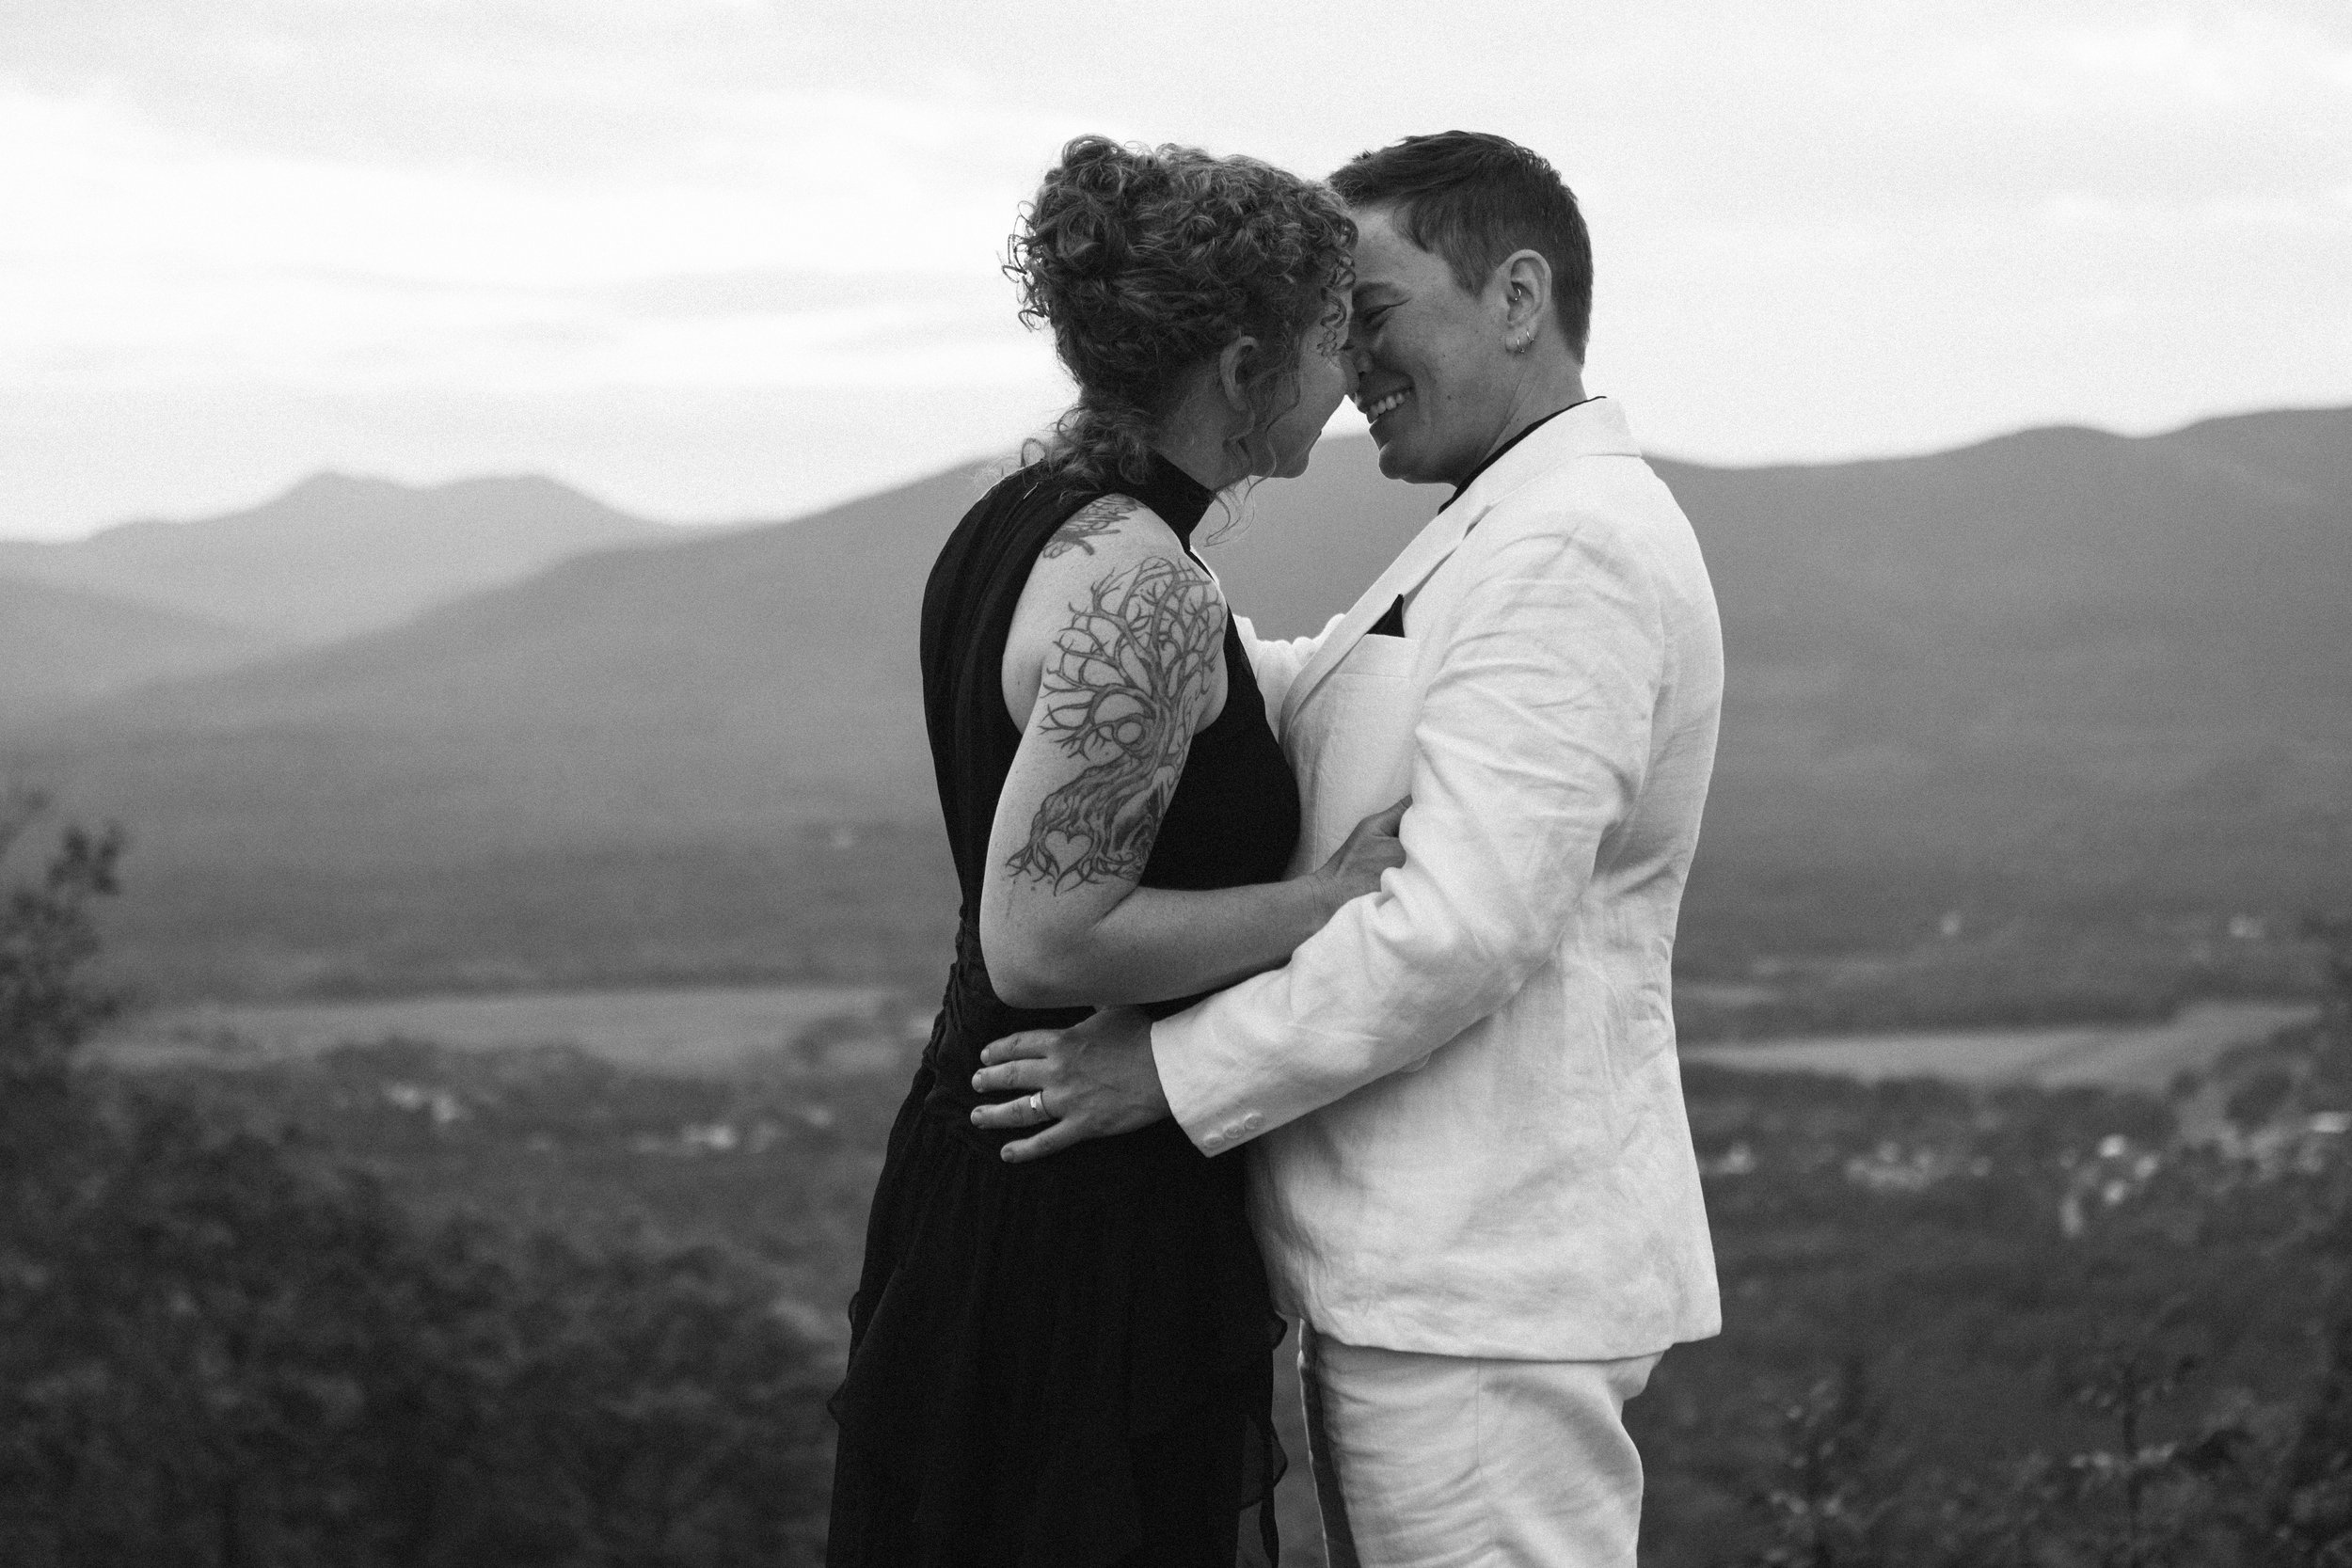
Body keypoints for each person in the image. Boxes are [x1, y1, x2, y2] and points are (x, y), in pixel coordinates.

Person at [970, 131, 1725, 1567]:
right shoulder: (1494, 525)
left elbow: (1460, 926)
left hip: (1485, 1286)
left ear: (1516, 295)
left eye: (1368, 315)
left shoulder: (1570, 545)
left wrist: (1170, 1072)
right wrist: (1099, 590)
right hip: (1419, 1281)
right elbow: (1310, 694)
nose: (1350, 362)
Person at [825, 135, 1409, 1568]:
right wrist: (1328, 903)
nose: (1347, 383)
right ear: (1240, 364)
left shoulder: (1018, 523)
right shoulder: (1141, 586)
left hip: (999, 1160)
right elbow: (1048, 937)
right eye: (1331, 340)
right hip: (1068, 1210)